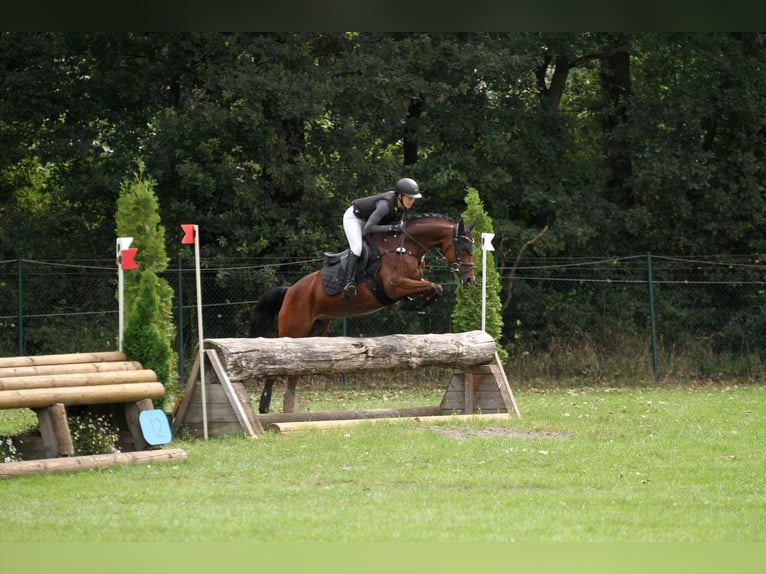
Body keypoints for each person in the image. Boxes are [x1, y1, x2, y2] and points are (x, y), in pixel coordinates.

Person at [341, 177, 422, 299]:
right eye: (409, 198)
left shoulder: (401, 207)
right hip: (355, 219)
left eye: (413, 199)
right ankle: (349, 283)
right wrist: (391, 228)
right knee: (357, 248)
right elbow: (369, 228)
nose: (411, 201)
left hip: (371, 221)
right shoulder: (385, 205)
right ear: (400, 195)